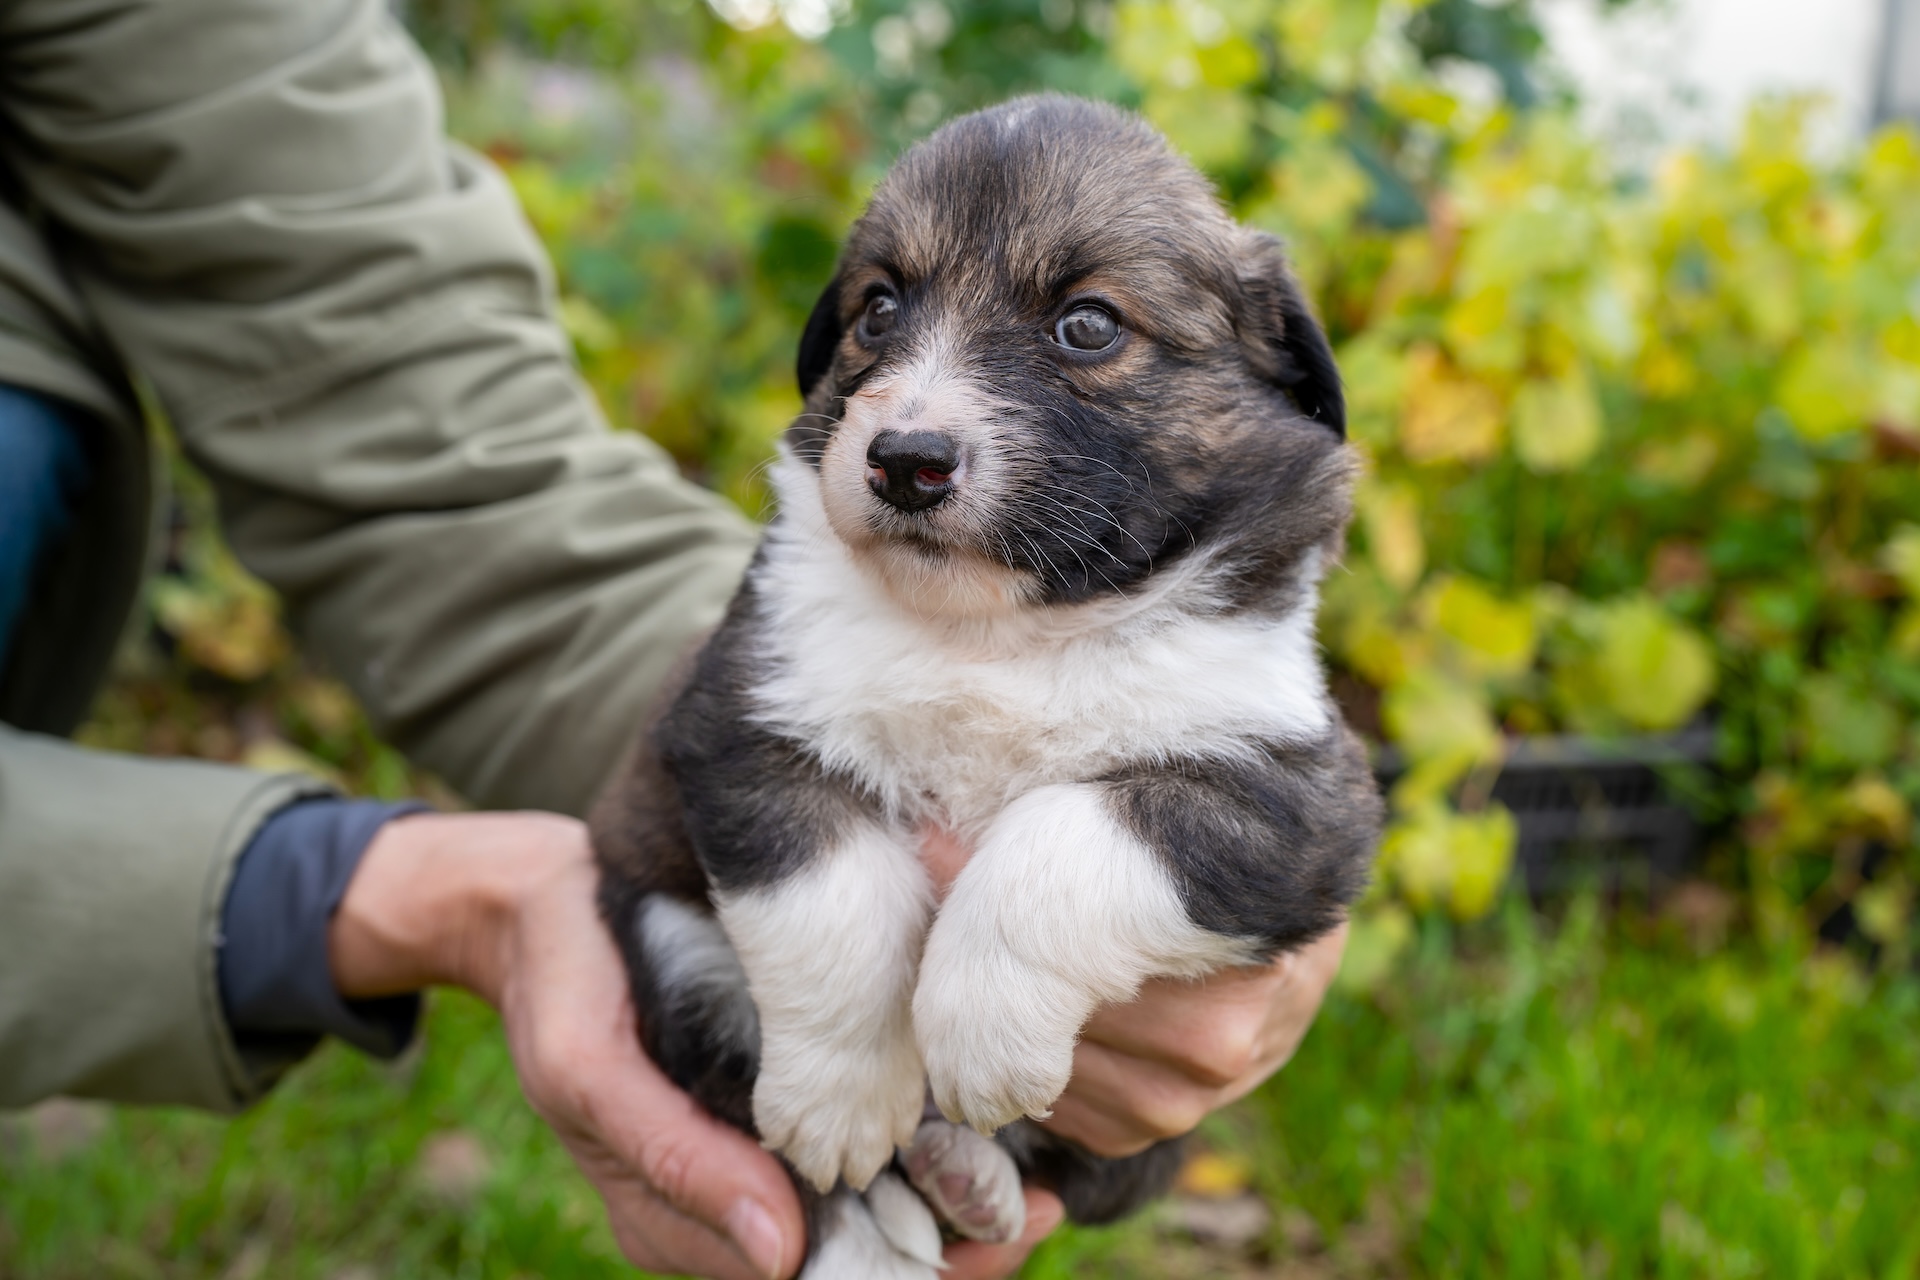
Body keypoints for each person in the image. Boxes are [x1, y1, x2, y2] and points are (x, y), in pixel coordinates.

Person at [0, 1, 1349, 1277]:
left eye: (1086, 330)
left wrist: (1072, 904)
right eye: (882, 314)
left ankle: (924, 1178)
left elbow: (1297, 821)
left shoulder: (1225, 595)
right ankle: (847, 1207)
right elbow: (741, 749)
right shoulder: (826, 569)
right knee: (717, 937)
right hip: (777, 1036)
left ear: (1274, 373)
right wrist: (827, 1015)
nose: (915, 410)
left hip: (1043, 1089)